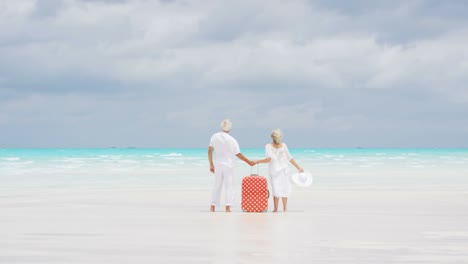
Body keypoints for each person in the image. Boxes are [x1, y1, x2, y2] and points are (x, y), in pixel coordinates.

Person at [208, 119, 254, 212]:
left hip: (218, 164)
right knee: (228, 186)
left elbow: (210, 151)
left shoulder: (214, 136)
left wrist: (211, 165)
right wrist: (248, 161)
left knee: (216, 185)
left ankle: (212, 206)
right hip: (228, 165)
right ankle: (227, 207)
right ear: (229, 129)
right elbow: (238, 154)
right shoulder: (232, 140)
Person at [254, 129, 303, 212]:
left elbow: (268, 160)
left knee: (275, 189)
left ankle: (276, 209)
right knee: (285, 188)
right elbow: (290, 158)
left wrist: (257, 161)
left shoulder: (268, 146)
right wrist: (299, 168)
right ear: (280, 137)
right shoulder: (284, 146)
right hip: (284, 170)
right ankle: (285, 209)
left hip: (274, 171)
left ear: (272, 137)